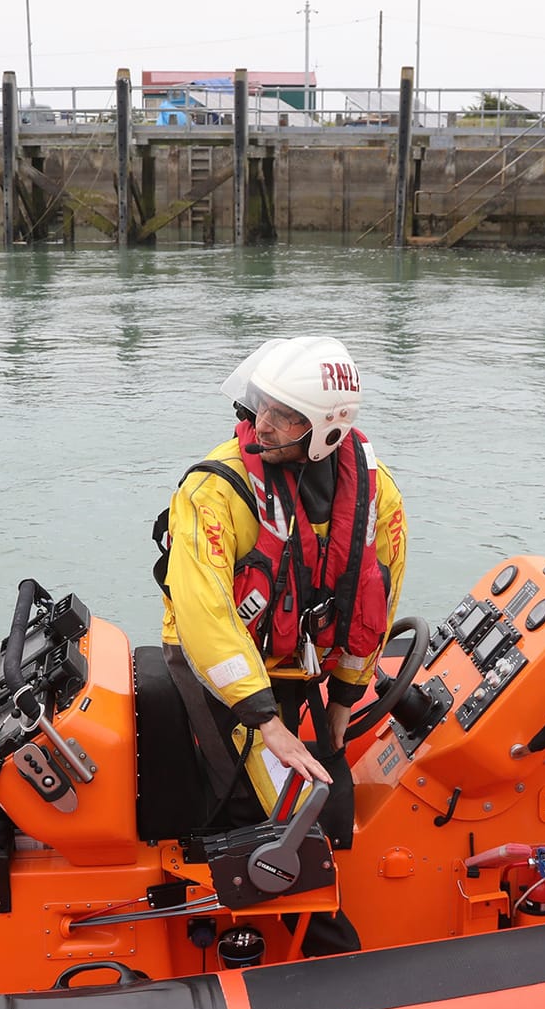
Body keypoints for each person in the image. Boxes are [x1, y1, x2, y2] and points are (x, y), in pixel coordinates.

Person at [157, 336, 407, 845]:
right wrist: (266, 721)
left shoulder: (375, 490)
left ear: (327, 429)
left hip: (293, 658)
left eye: (285, 416)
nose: (263, 424)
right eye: (262, 406)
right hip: (218, 664)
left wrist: (345, 697)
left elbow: (379, 594)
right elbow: (205, 614)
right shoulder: (213, 490)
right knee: (285, 818)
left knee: (334, 804)